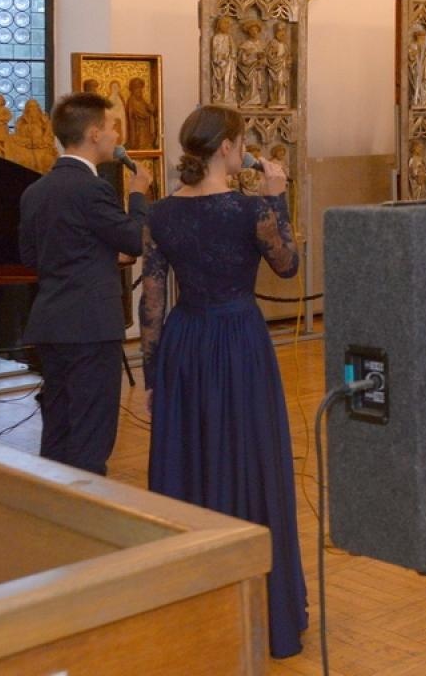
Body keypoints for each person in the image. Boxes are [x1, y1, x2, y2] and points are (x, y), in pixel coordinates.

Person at [138, 104, 305, 657]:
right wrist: (279, 195)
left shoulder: (159, 214)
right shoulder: (251, 209)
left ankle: (194, 607)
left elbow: (153, 301)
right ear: (230, 148)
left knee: (192, 460)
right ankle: (260, 605)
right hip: (238, 343)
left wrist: (153, 373)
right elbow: (288, 265)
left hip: (186, 344)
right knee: (251, 460)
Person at [18, 92, 152, 476]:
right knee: (91, 435)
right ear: (94, 134)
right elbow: (135, 239)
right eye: (112, 127)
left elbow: (31, 257)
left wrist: (93, 254)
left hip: (49, 325)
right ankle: (88, 516)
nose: (116, 136)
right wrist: (139, 192)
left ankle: (55, 514)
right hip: (90, 328)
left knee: (58, 427)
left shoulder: (35, 191)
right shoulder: (92, 188)